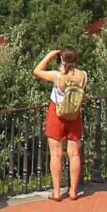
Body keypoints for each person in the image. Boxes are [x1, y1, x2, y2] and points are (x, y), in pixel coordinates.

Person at [34, 48, 87, 200]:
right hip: (74, 115)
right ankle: (73, 191)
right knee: (74, 154)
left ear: (62, 60)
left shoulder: (57, 76)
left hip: (57, 113)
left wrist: (50, 55)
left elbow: (37, 71)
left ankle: (57, 192)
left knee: (56, 154)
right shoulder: (83, 75)